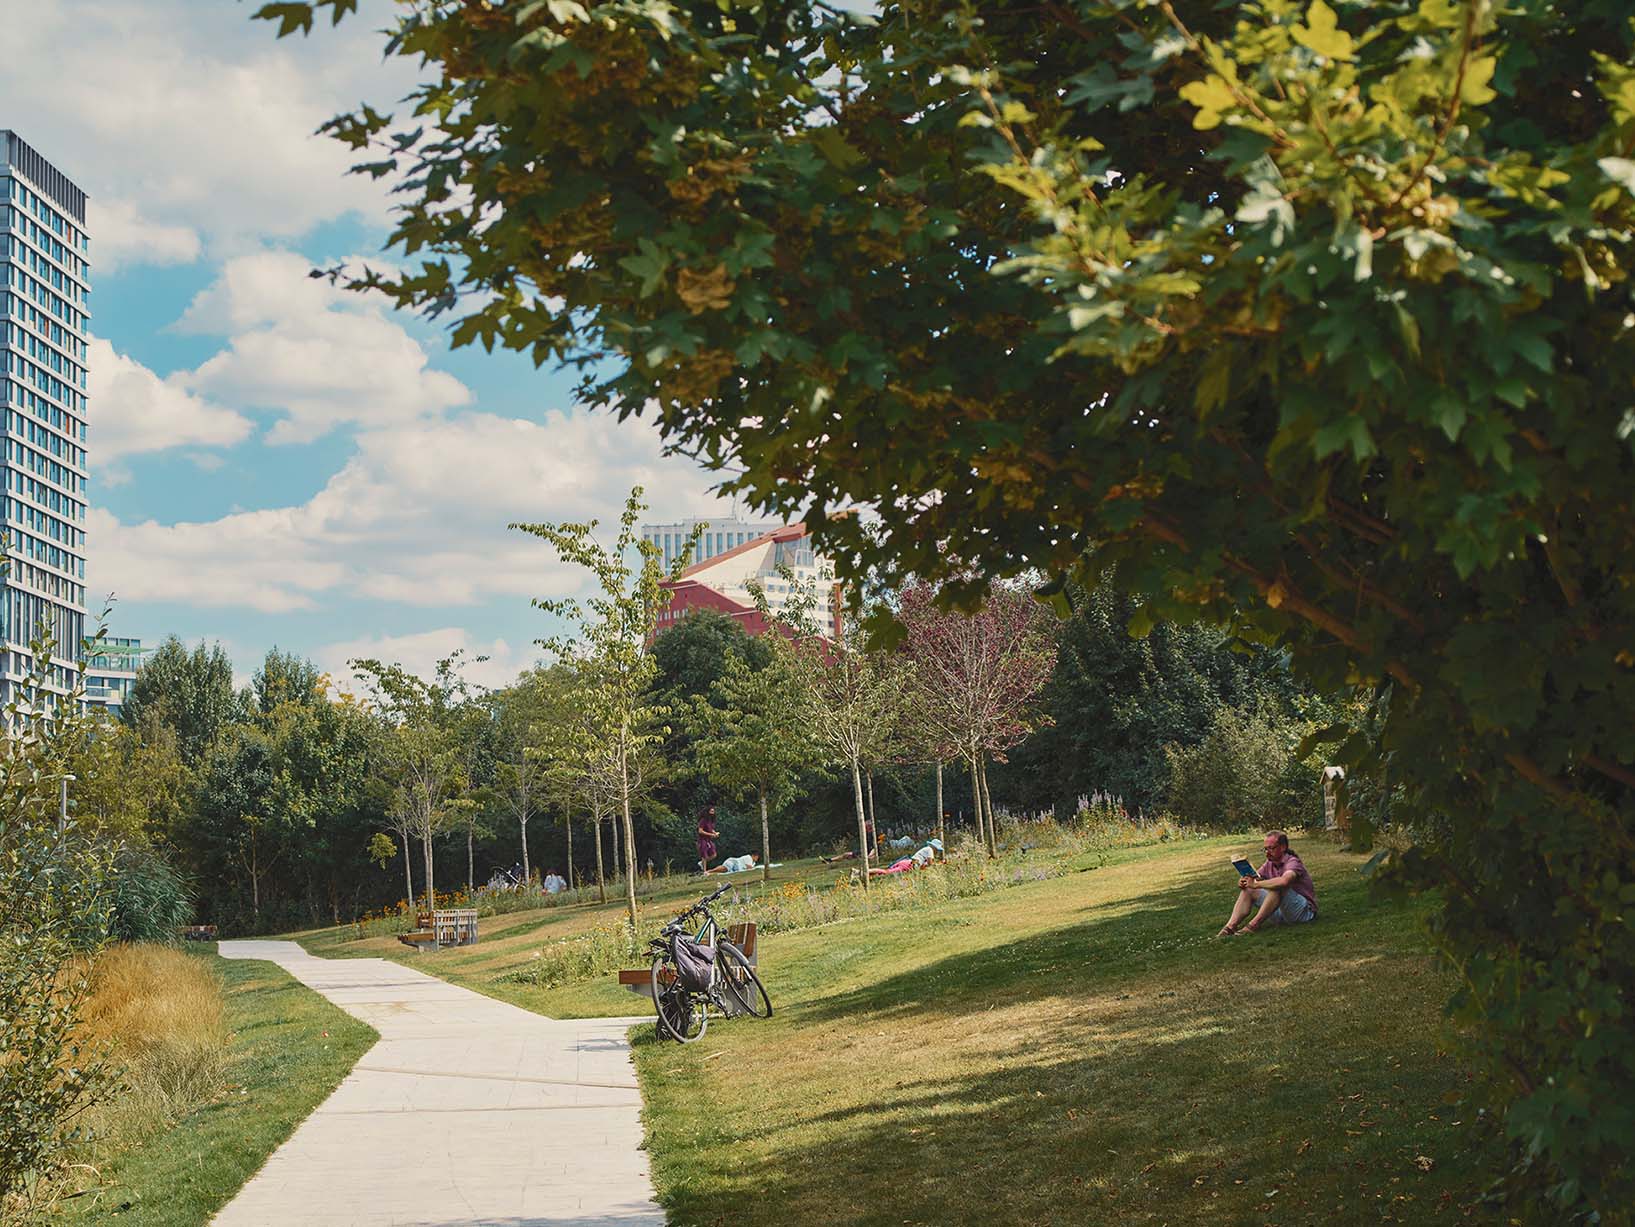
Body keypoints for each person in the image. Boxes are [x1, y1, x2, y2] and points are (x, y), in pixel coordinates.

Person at [1219, 830, 1318, 936]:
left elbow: (1284, 881)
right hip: (1282, 911)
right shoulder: (1269, 864)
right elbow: (1257, 878)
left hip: (1303, 912)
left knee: (1278, 886)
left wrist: (1256, 884)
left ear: (1283, 847)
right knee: (1249, 889)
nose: (1267, 852)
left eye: (1271, 848)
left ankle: (1253, 925)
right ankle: (1229, 927)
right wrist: (1245, 882)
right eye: (1265, 849)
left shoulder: (1292, 862)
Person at [867, 838, 943, 877]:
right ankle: (866, 871)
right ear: (934, 847)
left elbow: (924, 866)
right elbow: (930, 864)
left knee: (885, 872)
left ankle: (867, 873)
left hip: (907, 862)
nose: (937, 851)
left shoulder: (926, 849)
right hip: (908, 865)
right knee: (886, 872)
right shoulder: (930, 850)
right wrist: (940, 864)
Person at [696, 805, 720, 872]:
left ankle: (701, 863)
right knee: (704, 855)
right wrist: (711, 834)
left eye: (713, 811)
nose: (713, 813)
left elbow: (711, 829)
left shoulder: (710, 821)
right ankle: (704, 871)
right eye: (711, 811)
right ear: (707, 812)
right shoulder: (703, 820)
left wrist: (714, 833)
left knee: (714, 854)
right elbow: (700, 831)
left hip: (708, 840)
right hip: (702, 840)